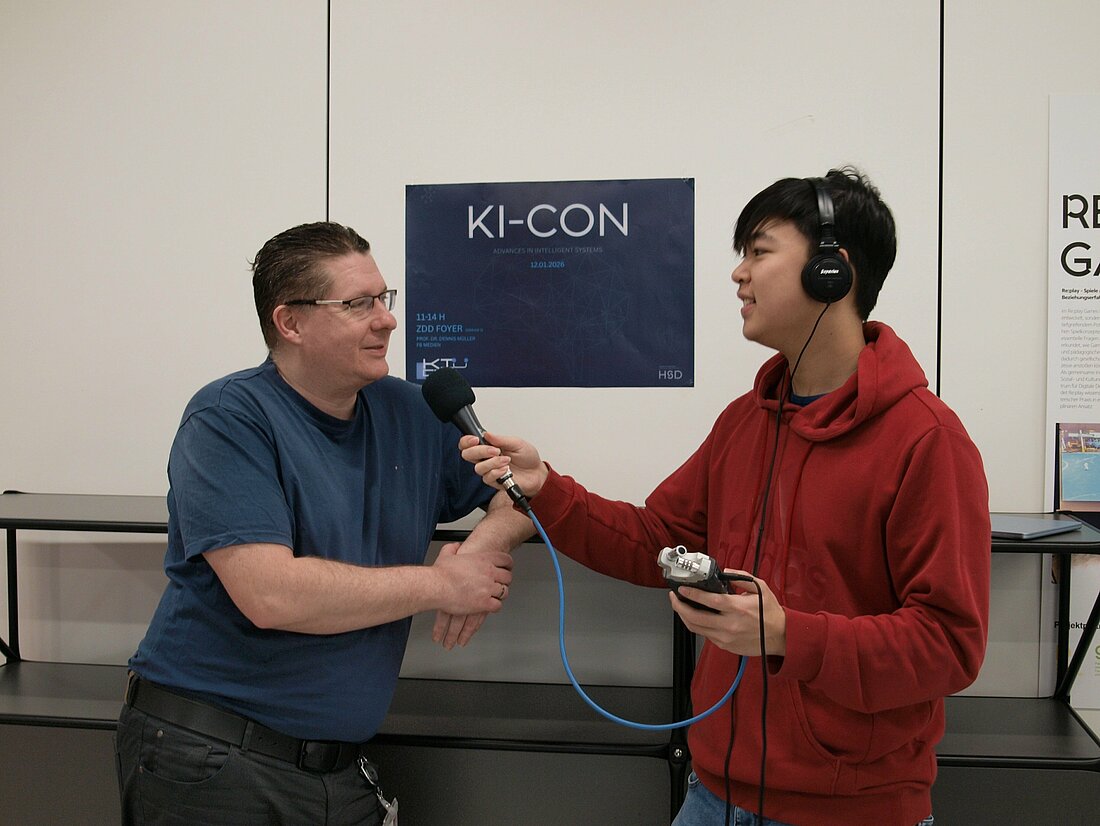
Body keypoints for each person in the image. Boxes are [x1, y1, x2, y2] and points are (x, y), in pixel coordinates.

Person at [460, 168, 990, 826]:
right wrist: (549, 492)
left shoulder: (926, 441)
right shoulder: (747, 421)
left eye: (759, 252)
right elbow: (661, 544)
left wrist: (789, 634)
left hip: (851, 811)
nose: (739, 274)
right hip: (712, 796)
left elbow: (949, 646)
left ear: (834, 269)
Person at [115, 221, 533, 825]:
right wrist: (443, 585)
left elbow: (523, 493)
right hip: (210, 761)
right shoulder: (228, 419)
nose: (386, 320)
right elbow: (270, 594)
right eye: (357, 304)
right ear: (291, 323)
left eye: (384, 299)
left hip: (337, 771)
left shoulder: (412, 410)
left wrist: (479, 551)